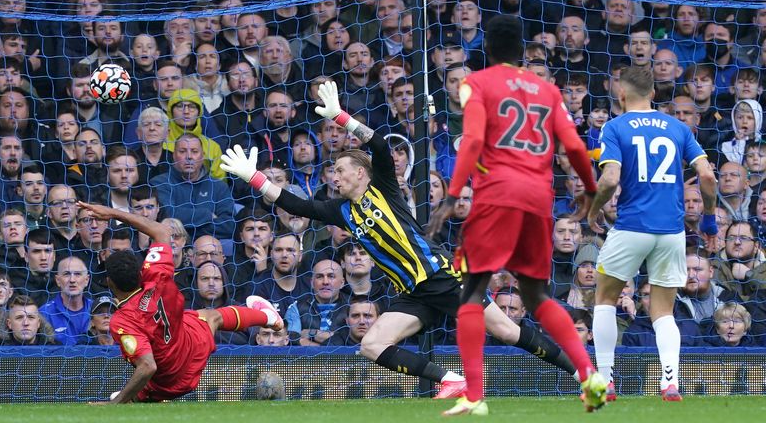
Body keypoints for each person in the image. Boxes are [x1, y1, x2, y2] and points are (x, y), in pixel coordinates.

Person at [221, 79, 579, 406]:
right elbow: (294, 203)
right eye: (333, 172)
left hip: (441, 277)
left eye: (341, 170)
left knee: (506, 330)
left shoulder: (383, 189)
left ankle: (581, 371)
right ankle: (452, 380)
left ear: (360, 173)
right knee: (372, 345)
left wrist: (342, 117)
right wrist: (253, 177)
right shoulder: (340, 211)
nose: (335, 175)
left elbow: (378, 143)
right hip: (412, 291)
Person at [426, 15, 604, 416]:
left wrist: (452, 195)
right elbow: (574, 146)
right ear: (523, 52)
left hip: (497, 195)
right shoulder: (546, 89)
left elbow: (472, 140)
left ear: (486, 50)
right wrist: (591, 190)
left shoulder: (478, 82)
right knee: (537, 295)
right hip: (540, 198)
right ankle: (589, 372)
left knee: (471, 292)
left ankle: (474, 395)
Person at [586, 65, 719, 403]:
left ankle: (604, 382)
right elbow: (707, 177)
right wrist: (708, 220)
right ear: (654, 94)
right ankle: (670, 383)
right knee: (663, 311)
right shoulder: (678, 127)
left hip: (631, 225)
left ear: (621, 95)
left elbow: (611, 178)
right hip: (671, 230)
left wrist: (593, 209)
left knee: (603, 300)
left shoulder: (614, 127)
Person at [76, 202, 284, 404]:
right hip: (192, 348)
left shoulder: (122, 320)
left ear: (109, 282)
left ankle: (132, 397)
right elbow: (161, 231)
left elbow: (147, 367)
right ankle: (269, 317)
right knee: (212, 317)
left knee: (133, 386)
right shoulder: (155, 274)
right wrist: (113, 213)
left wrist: (116, 403)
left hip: (170, 382)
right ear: (141, 272)